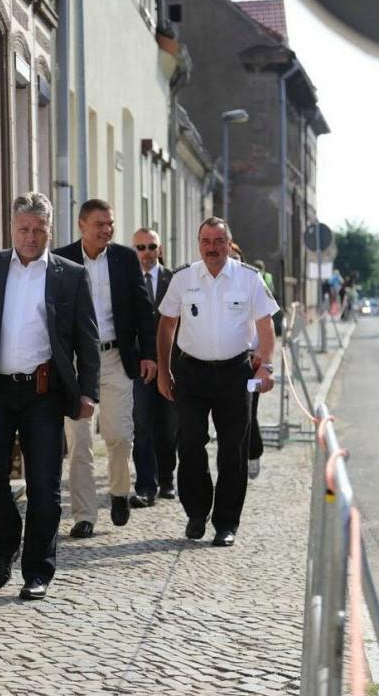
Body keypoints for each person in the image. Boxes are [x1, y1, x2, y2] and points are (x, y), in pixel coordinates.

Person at [0, 193, 100, 600]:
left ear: (50, 231)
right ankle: (5, 545)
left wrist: (89, 391)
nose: (30, 237)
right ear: (12, 228)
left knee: (44, 485)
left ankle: (38, 571)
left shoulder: (70, 275)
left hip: (45, 393)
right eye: (24, 229)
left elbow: (87, 339)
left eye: (38, 230)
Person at [157, 217, 279, 547]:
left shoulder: (249, 278)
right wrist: (164, 370)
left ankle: (226, 523)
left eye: (219, 241)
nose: (212, 248)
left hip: (235, 373)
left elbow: (266, 325)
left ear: (229, 243)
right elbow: (167, 325)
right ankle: (197, 513)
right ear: (199, 243)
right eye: (206, 241)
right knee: (190, 443)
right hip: (191, 373)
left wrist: (266, 366)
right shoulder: (183, 278)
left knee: (233, 451)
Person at [54, 199, 156, 538]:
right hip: (76, 363)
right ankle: (84, 515)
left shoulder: (125, 258)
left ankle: (119, 492)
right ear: (82, 225)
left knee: (120, 435)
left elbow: (143, 310)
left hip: (115, 358)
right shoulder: (61, 260)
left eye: (110, 223)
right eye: (100, 224)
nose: (107, 229)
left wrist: (149, 354)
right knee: (79, 440)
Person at [130, 228, 178, 507]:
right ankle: (146, 485)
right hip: (139, 366)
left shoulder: (174, 280)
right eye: (140, 247)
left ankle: (167, 479)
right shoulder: (128, 280)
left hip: (170, 364)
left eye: (151, 247)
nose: (146, 252)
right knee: (142, 424)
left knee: (169, 426)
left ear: (160, 249)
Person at [230, 242, 263, 480]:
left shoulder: (253, 284)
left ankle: (253, 451)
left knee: (249, 410)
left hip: (252, 361)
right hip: (225, 361)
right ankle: (234, 460)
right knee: (229, 415)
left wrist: (261, 353)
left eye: (236, 258)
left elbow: (265, 323)